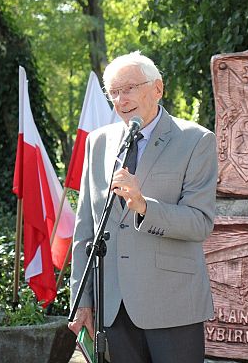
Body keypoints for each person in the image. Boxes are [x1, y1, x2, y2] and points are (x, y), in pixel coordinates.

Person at [69, 51, 217, 362]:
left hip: (172, 304)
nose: (121, 100)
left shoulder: (196, 140)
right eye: (114, 93)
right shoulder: (98, 142)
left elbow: (200, 223)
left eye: (130, 88)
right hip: (113, 307)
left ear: (157, 88)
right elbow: (85, 228)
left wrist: (143, 206)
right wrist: (82, 300)